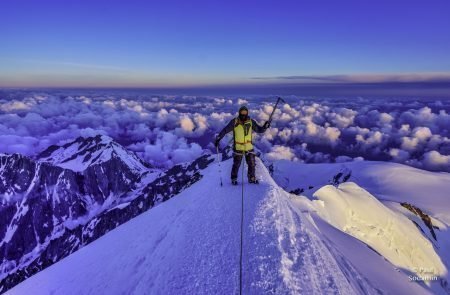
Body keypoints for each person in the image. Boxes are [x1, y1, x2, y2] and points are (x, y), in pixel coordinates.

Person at [214, 105, 270, 185]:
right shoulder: (234, 122)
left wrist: (265, 127)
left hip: (248, 147)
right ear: (239, 113)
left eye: (245, 113)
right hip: (238, 147)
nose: (243, 114)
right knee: (236, 164)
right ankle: (234, 179)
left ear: (247, 113)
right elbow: (225, 130)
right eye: (242, 113)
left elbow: (259, 130)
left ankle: (252, 178)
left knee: (252, 163)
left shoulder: (251, 121)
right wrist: (219, 138)